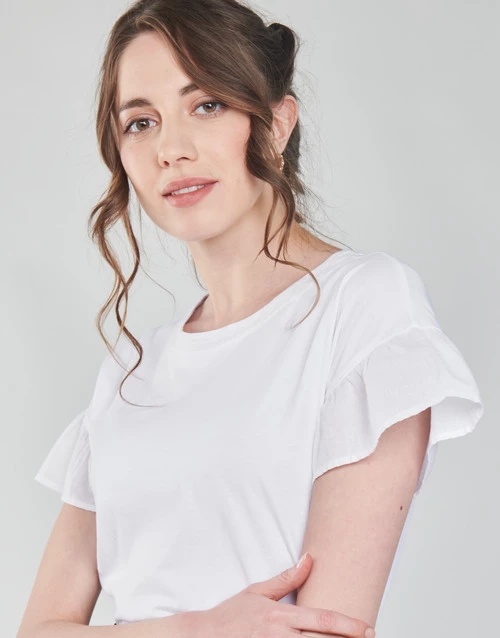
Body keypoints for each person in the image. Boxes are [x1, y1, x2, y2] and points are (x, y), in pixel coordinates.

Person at [18, 1, 484, 637]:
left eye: (207, 105)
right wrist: (197, 630)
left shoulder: (363, 305)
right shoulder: (131, 371)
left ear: (277, 123)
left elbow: (327, 629)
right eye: (141, 122)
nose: (171, 150)